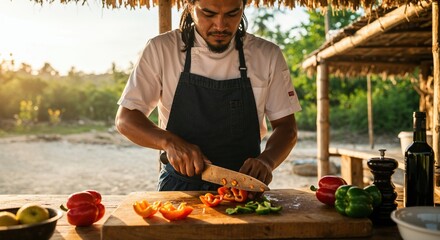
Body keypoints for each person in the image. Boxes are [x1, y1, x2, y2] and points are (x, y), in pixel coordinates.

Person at [115, 0, 301, 195]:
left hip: (243, 187)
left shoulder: (267, 55)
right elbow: (126, 119)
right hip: (179, 188)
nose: (220, 25)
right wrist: (168, 142)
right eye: (209, 13)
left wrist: (267, 161)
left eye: (232, 14)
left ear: (243, 8)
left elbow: (287, 128)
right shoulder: (161, 49)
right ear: (189, 6)